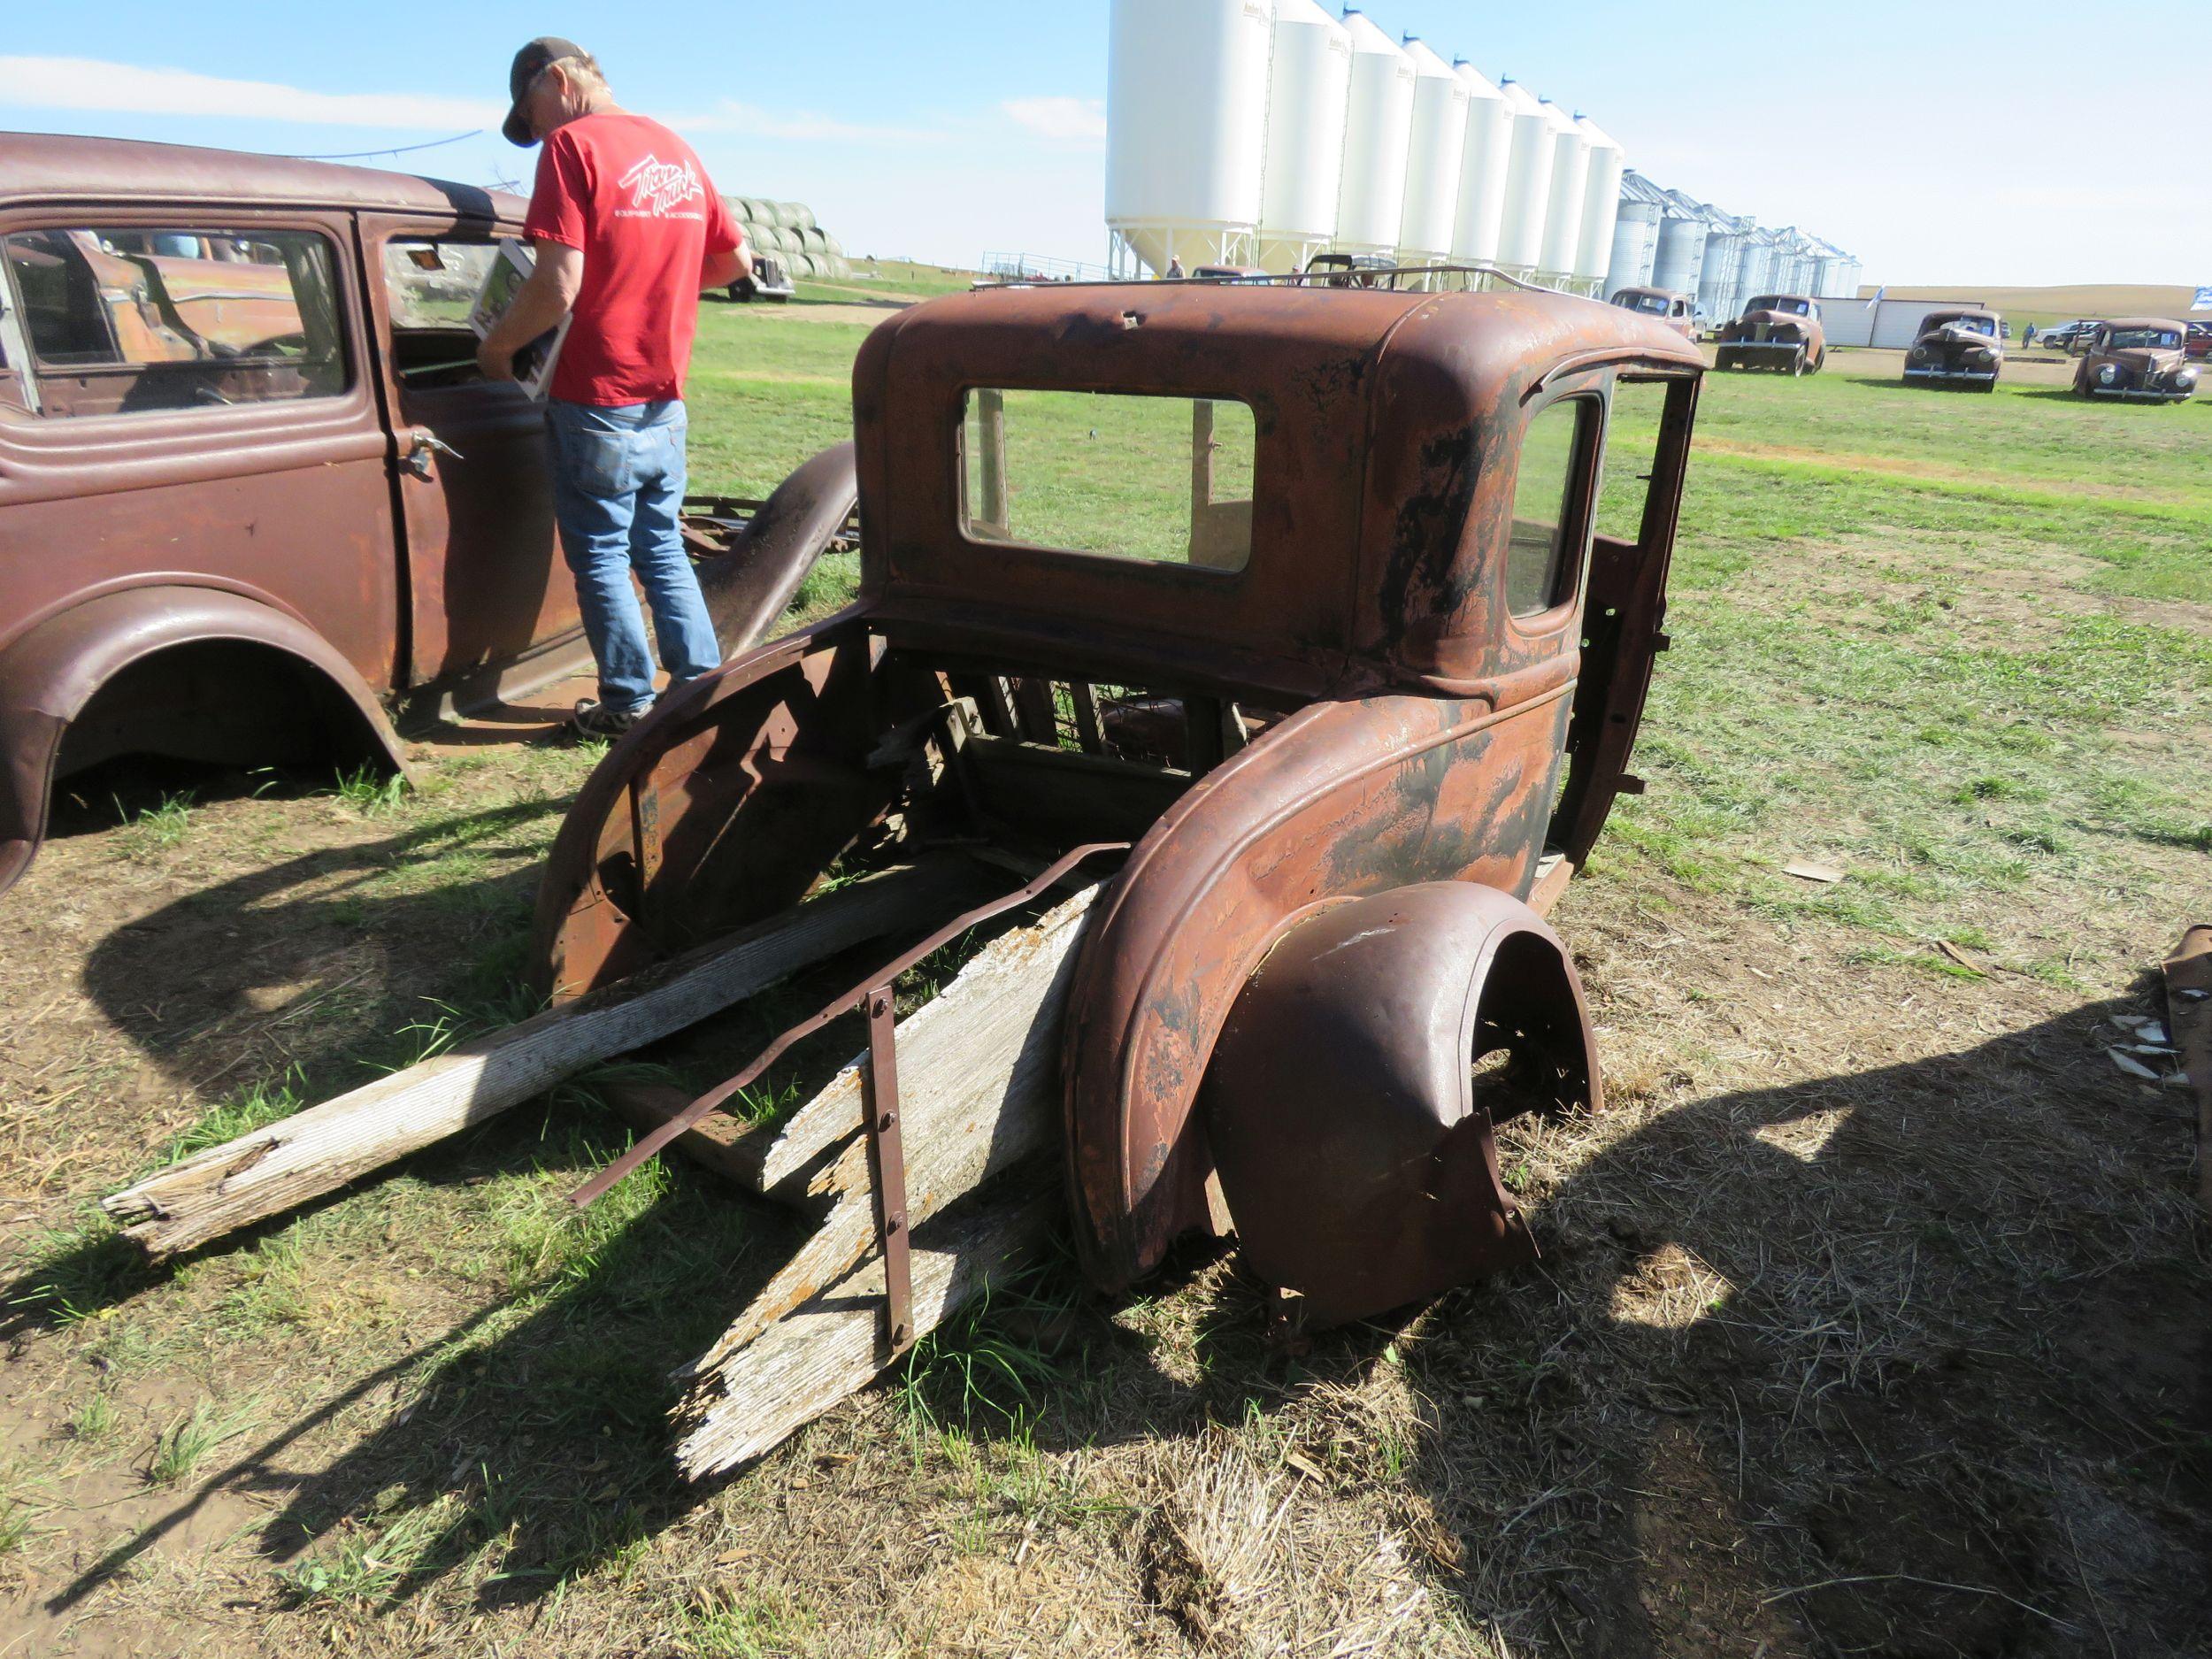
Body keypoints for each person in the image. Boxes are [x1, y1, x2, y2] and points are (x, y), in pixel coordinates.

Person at [478, 37, 753, 737]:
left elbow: (557, 283)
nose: (535, 129)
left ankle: (627, 703)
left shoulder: (572, 149)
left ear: (562, 80)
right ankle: (699, 689)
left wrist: (499, 346)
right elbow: (734, 261)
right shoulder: (676, 149)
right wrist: (649, 282)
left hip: (594, 393)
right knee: (658, 544)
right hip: (664, 395)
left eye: (531, 110)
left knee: (600, 553)